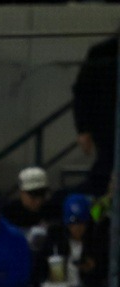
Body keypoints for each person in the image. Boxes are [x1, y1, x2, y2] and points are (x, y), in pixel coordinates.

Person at [72, 35, 117, 196]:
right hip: (107, 125)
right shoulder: (102, 53)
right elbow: (82, 92)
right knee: (104, 173)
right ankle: (96, 215)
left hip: (106, 125)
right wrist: (83, 128)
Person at [0, 166, 53, 239]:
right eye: (33, 195)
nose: (38, 200)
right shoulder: (9, 213)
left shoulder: (52, 211)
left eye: (42, 194)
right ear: (21, 193)